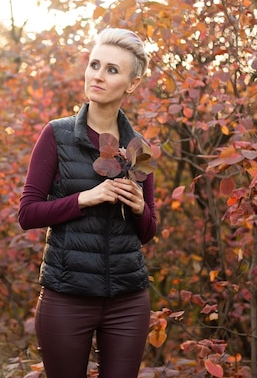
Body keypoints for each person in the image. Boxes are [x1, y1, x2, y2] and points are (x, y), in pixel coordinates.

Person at [18, 28, 157, 378]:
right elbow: (27, 213)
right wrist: (85, 198)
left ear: (132, 84)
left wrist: (140, 209)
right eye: (95, 64)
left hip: (128, 300)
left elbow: (147, 232)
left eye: (112, 69)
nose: (98, 74)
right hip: (67, 296)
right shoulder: (56, 135)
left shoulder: (138, 149)